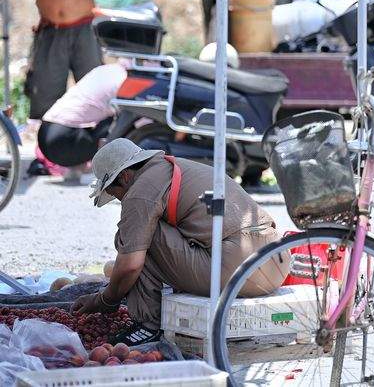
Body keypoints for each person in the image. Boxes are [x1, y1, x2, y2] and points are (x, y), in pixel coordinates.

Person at [72, 138, 290, 344]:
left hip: (239, 268)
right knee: (141, 232)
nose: (119, 199)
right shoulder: (174, 167)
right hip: (276, 261)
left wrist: (105, 300)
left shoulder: (140, 191)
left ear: (126, 176)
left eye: (113, 191)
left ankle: (148, 325)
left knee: (135, 237)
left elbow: (130, 265)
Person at [38, 61, 127, 182]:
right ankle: (96, 170)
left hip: (45, 136)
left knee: (97, 116)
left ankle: (75, 168)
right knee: (123, 119)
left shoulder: (104, 70)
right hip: (63, 139)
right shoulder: (124, 80)